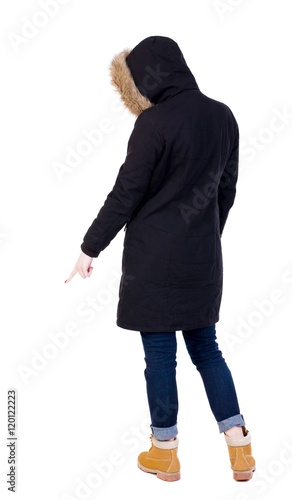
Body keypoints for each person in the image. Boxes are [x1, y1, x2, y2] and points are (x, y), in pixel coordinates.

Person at [65, 36, 255, 482]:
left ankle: (164, 451)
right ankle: (240, 449)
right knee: (207, 350)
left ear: (149, 75)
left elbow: (126, 193)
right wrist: (206, 237)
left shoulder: (153, 123)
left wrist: (89, 247)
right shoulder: (223, 116)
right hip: (202, 260)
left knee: (160, 357)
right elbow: (226, 192)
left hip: (154, 262)